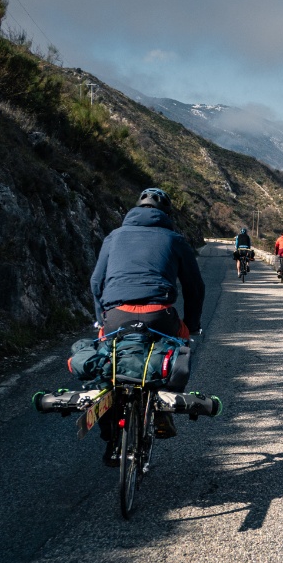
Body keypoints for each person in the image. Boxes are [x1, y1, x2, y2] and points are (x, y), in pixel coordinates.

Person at [90, 187, 205, 464]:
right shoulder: (175, 239)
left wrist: (101, 318)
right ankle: (162, 410)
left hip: (116, 315)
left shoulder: (114, 236)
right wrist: (191, 324)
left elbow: (96, 282)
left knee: (112, 358)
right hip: (159, 316)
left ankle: (110, 430)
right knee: (172, 350)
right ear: (166, 214)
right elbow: (195, 287)